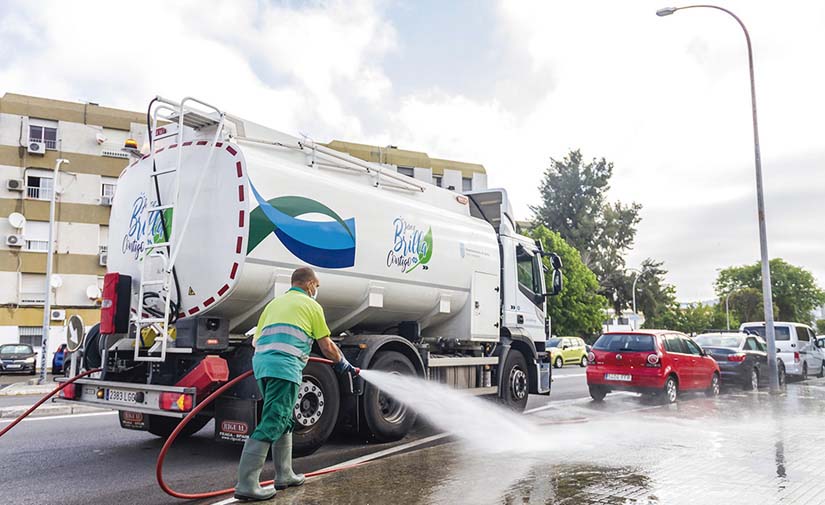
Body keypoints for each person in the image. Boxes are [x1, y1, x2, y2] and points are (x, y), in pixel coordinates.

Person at [235, 267, 357, 501]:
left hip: (262, 367)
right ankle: (247, 483)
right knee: (273, 420)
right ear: (310, 284)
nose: (316, 290)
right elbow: (326, 345)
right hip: (284, 369)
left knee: (285, 418)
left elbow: (255, 341)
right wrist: (342, 362)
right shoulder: (311, 306)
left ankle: (285, 474)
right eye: (317, 286)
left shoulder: (273, 305)